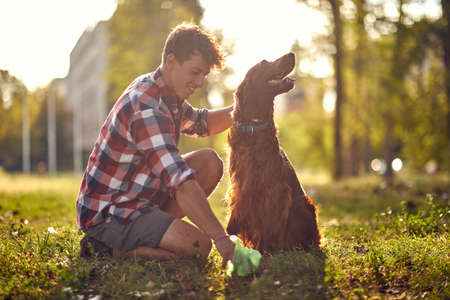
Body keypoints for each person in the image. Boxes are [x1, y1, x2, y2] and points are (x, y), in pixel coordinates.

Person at [76, 23, 235, 265]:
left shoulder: (167, 93)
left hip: (139, 199)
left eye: (204, 74)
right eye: (195, 72)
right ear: (171, 61)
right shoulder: (147, 107)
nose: (200, 82)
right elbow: (180, 182)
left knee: (209, 162)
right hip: (110, 213)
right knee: (199, 246)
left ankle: (152, 235)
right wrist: (222, 239)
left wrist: (246, 107)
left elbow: (202, 123)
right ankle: (107, 248)